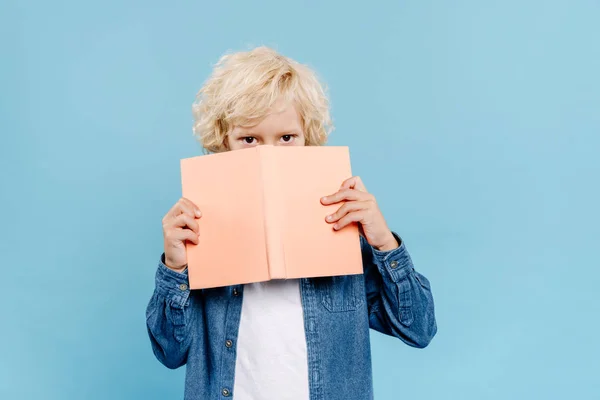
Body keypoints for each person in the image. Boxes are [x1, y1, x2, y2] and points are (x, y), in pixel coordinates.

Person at [146, 46, 437, 400]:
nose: (268, 154)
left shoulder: (344, 231)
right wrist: (175, 269)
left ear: (307, 138)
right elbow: (169, 352)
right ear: (224, 142)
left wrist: (384, 245)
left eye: (286, 138)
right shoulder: (200, 233)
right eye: (249, 139)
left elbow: (418, 329)